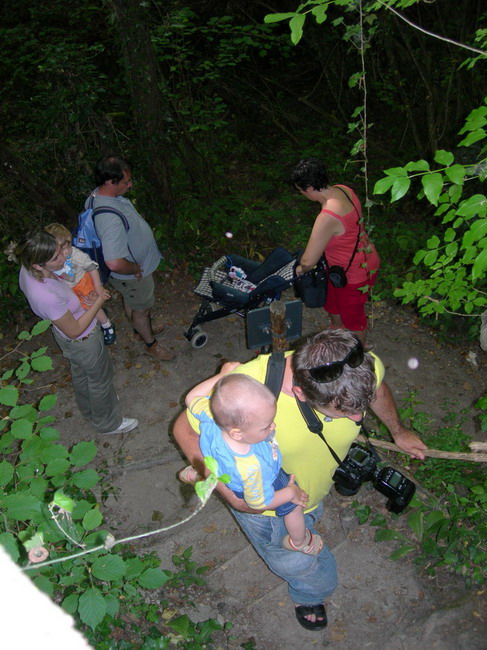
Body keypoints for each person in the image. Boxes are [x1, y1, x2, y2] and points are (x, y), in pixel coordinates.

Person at [173, 329, 427, 631]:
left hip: (311, 487)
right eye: (342, 412)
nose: (359, 420)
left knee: (309, 514)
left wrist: (398, 431)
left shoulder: (357, 364)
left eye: (362, 406)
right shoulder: (249, 390)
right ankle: (310, 593)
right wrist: (231, 496)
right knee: (298, 562)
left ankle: (307, 523)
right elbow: (183, 429)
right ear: (301, 394)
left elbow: (378, 387)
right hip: (265, 504)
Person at [180, 373, 323, 555]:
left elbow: (191, 398)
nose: (273, 427)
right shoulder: (252, 467)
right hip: (260, 482)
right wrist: (290, 492)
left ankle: (200, 473)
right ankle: (299, 541)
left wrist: (223, 375)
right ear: (237, 434)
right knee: (294, 508)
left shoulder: (210, 415)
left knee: (216, 465)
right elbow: (258, 502)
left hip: (219, 462)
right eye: (265, 427)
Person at [16, 230, 138, 436]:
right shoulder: (45, 296)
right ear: (38, 265)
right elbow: (75, 330)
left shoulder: (28, 268)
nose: (64, 257)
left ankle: (91, 411)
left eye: (60, 251)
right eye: (56, 258)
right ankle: (107, 423)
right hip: (84, 339)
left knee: (82, 374)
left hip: (66, 337)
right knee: (100, 379)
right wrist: (99, 300)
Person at [89, 155, 174, 361]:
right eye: (126, 181)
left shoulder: (100, 196)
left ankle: (140, 329)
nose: (130, 184)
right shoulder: (108, 218)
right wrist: (135, 268)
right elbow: (114, 262)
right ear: (110, 182)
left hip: (131, 277)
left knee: (133, 302)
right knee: (142, 308)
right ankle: (150, 343)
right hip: (133, 274)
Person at [291, 157, 380, 345]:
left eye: (301, 191)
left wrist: (300, 270)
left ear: (308, 188)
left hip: (354, 273)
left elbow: (308, 261)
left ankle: (359, 355)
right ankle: (338, 337)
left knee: (354, 319)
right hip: (349, 265)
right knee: (333, 304)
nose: (302, 195)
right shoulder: (343, 190)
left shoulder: (328, 217)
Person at [45, 223, 116, 346]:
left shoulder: (76, 255)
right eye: (62, 249)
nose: (67, 251)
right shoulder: (52, 259)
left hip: (83, 282)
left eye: (69, 246)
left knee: (90, 305)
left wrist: (98, 287)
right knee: (79, 307)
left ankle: (107, 325)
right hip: (69, 287)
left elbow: (92, 267)